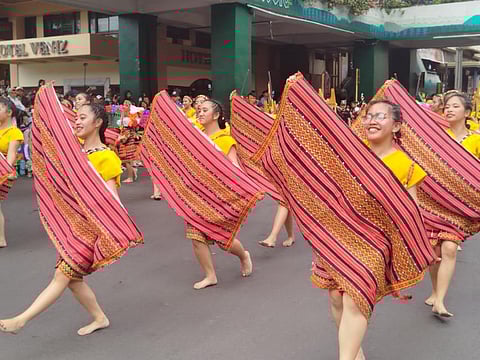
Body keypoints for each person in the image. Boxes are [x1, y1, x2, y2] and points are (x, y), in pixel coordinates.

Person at [0, 101, 141, 336]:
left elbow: (111, 198)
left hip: (90, 229)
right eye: (76, 116)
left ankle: (21, 320)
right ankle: (99, 317)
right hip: (74, 227)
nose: (77, 121)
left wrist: (114, 227)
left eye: (83, 117)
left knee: (61, 275)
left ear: (97, 123)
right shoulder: (76, 153)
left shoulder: (106, 157)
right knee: (73, 280)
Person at [423, 91, 480, 317]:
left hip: (460, 205)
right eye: (447, 106)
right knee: (434, 250)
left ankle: (441, 300)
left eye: (455, 106)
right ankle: (435, 290)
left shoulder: (476, 139)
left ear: (466, 112)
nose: (449, 109)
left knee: (449, 248)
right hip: (436, 202)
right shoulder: (437, 137)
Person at [187, 99, 252, 289]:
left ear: (216, 115)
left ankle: (243, 255)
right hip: (198, 194)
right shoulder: (197, 138)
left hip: (217, 195)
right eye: (199, 110)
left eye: (204, 110)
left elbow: (234, 168)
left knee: (222, 238)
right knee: (195, 234)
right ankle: (210, 275)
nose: (200, 113)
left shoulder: (225, 140)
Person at [0, 98, 23, 248]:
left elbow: (11, 155)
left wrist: (6, 171)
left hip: (2, 171)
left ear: (9, 113)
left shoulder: (14, 132)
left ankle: (1, 238)